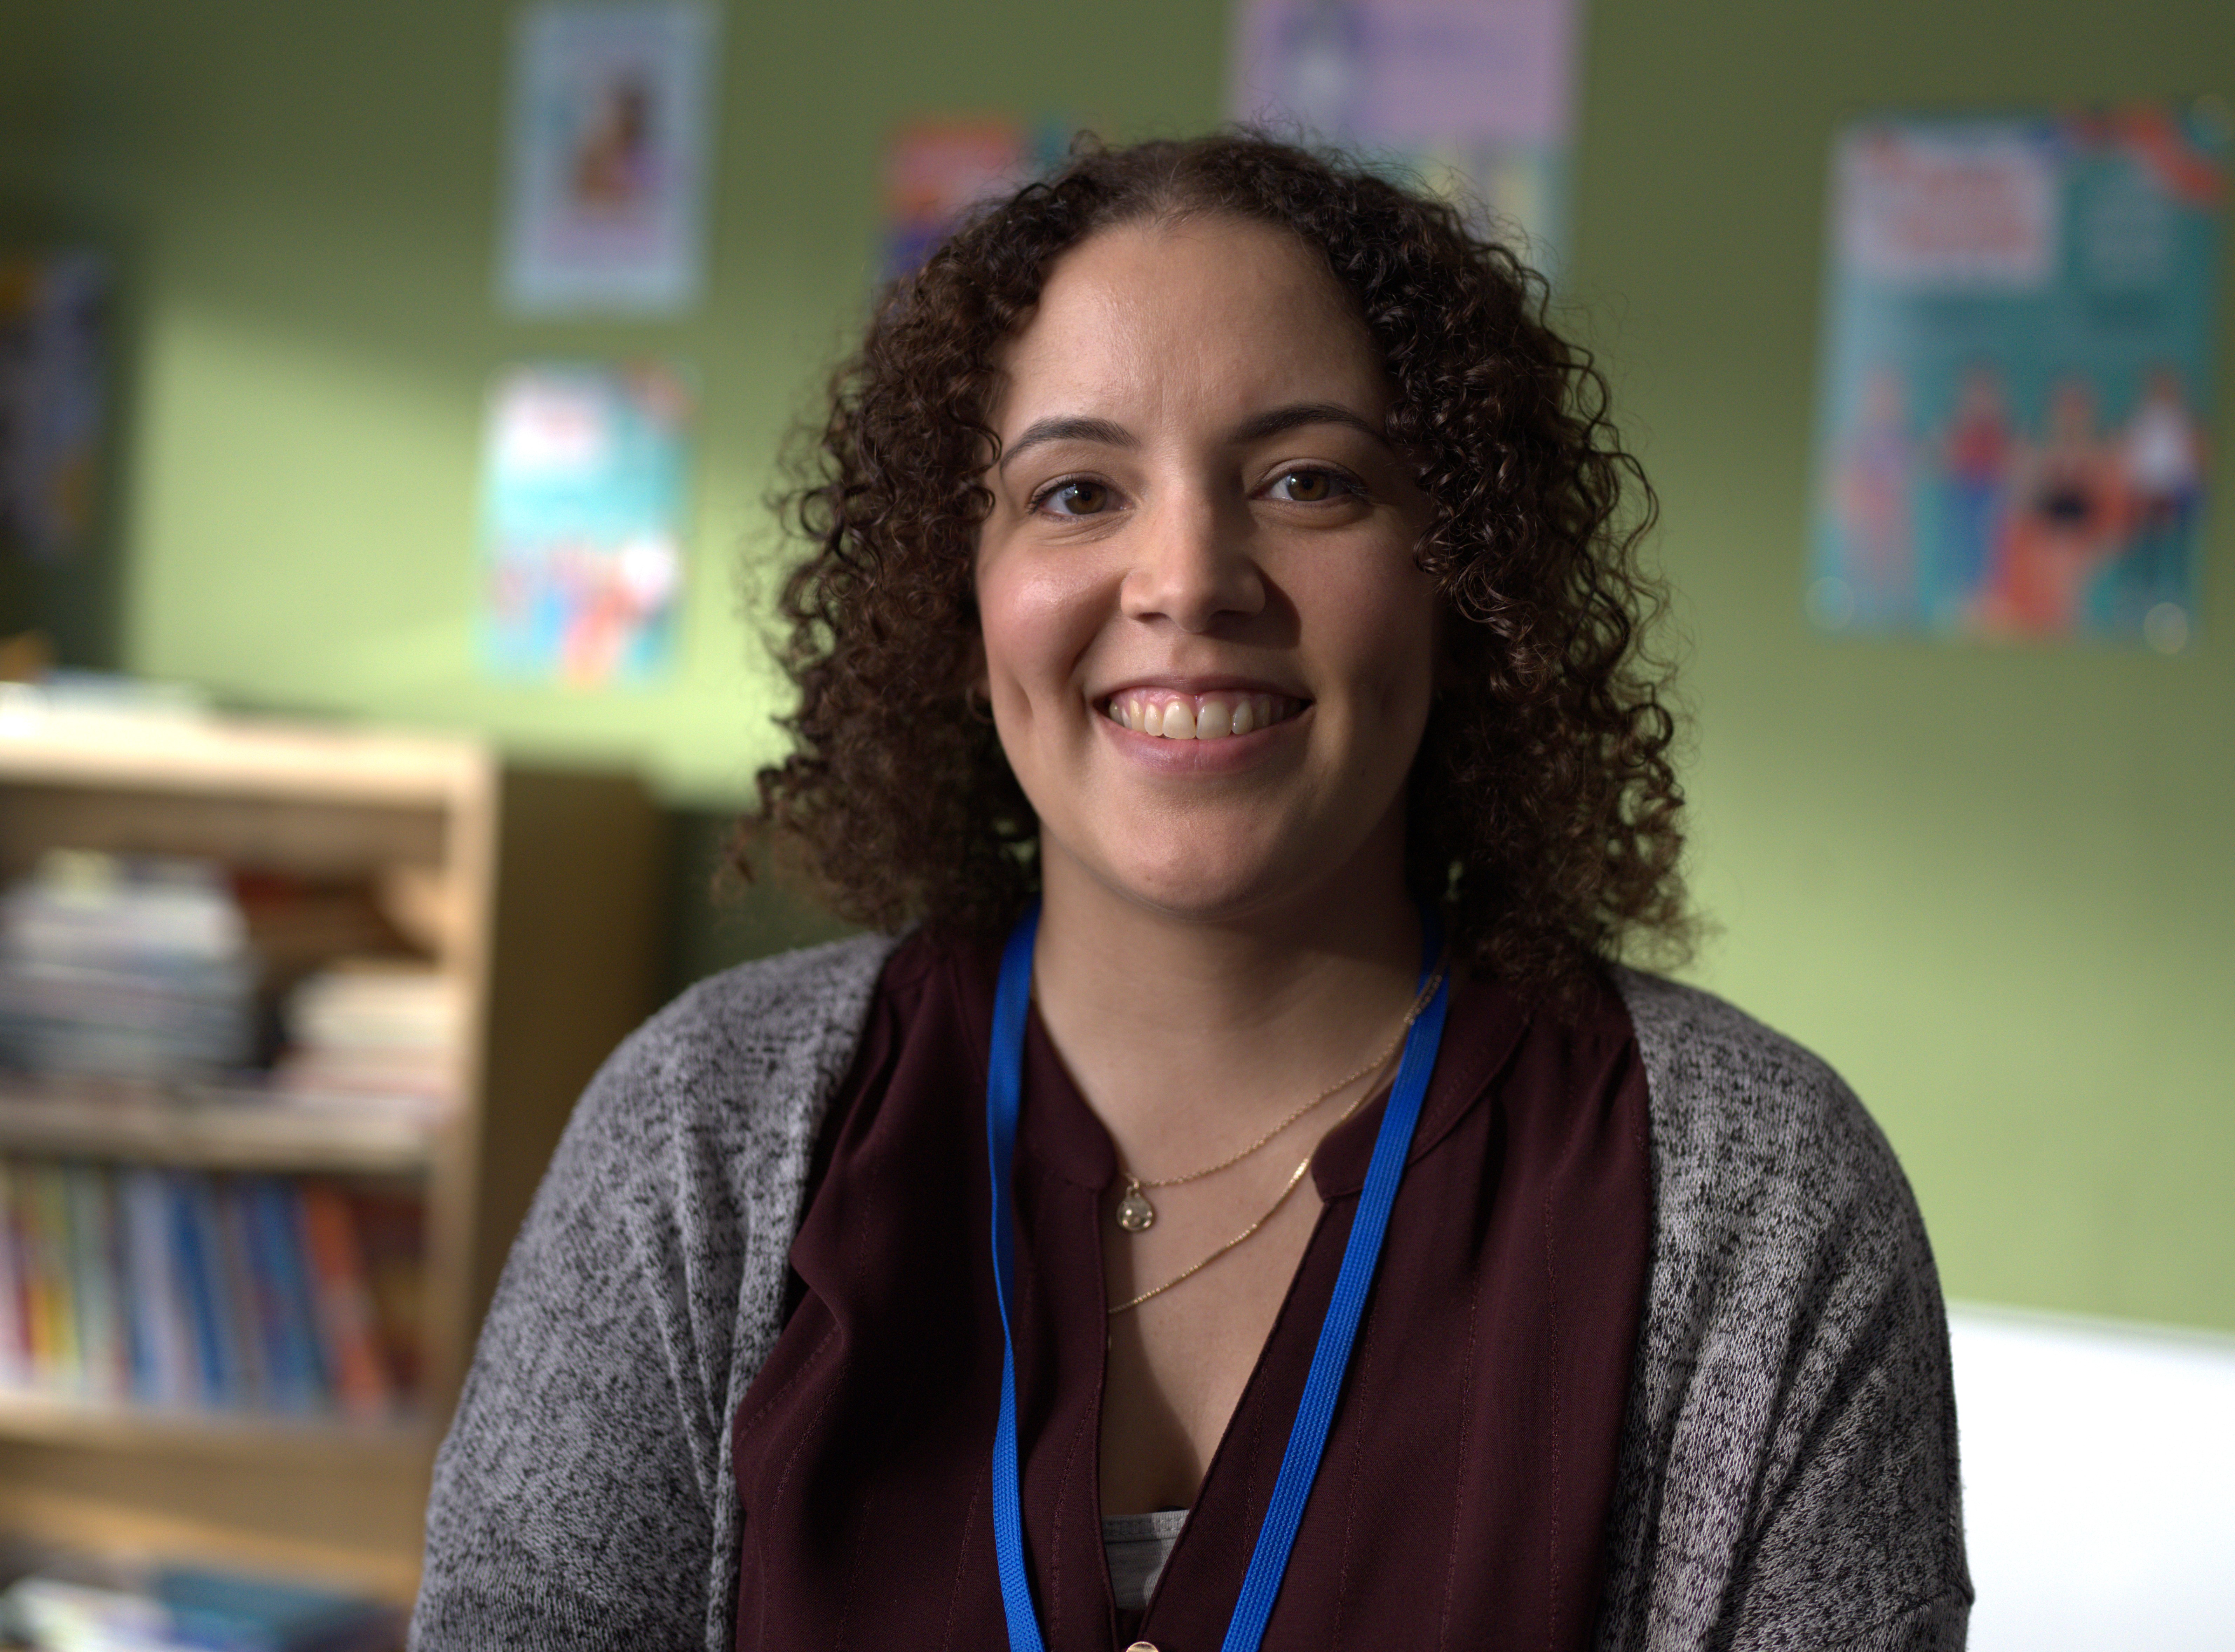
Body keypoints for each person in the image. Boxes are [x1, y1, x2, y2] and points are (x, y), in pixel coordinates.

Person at [412, 134, 1969, 1651]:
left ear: (1463, 581)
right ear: (961, 600)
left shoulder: (1761, 1202)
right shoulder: (700, 1135)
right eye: (1076, 493)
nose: (1186, 578)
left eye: (1307, 480)